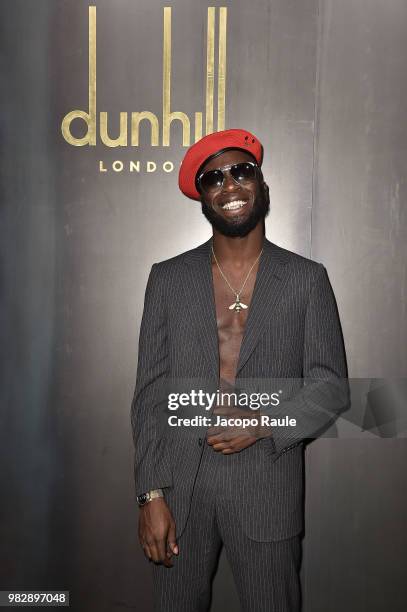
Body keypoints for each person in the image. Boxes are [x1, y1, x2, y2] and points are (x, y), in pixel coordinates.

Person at [131, 128, 348, 611]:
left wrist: (263, 423)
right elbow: (150, 396)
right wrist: (149, 495)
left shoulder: (306, 279)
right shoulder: (167, 278)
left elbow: (331, 387)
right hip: (179, 488)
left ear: (262, 184)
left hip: (266, 486)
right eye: (214, 178)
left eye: (241, 171)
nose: (230, 186)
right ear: (203, 197)